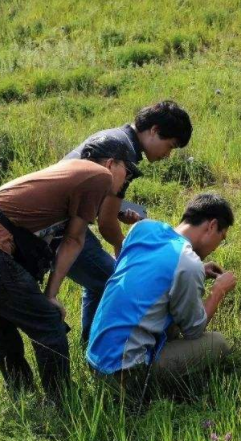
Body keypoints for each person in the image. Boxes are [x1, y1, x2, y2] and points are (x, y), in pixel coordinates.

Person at [0, 141, 132, 398]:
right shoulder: (98, 175)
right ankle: (62, 403)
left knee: (1, 326)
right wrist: (50, 295)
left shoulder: (66, 172)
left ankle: (23, 396)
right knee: (49, 326)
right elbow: (74, 240)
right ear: (111, 163)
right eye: (126, 170)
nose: (126, 179)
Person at [58, 100, 192, 343]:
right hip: (60, 226)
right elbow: (107, 225)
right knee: (112, 277)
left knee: (99, 279)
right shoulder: (124, 153)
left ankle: (90, 342)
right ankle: (99, 347)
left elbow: (97, 199)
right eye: (169, 146)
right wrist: (123, 247)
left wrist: (120, 211)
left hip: (57, 219)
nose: (168, 155)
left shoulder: (113, 136)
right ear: (153, 130)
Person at [87, 193, 236, 400]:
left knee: (171, 306)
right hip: (126, 375)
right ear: (211, 226)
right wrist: (218, 291)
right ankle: (157, 392)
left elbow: (148, 275)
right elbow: (194, 330)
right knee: (219, 343)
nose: (218, 244)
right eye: (222, 236)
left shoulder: (143, 228)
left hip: (95, 360)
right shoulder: (188, 264)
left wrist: (198, 270)